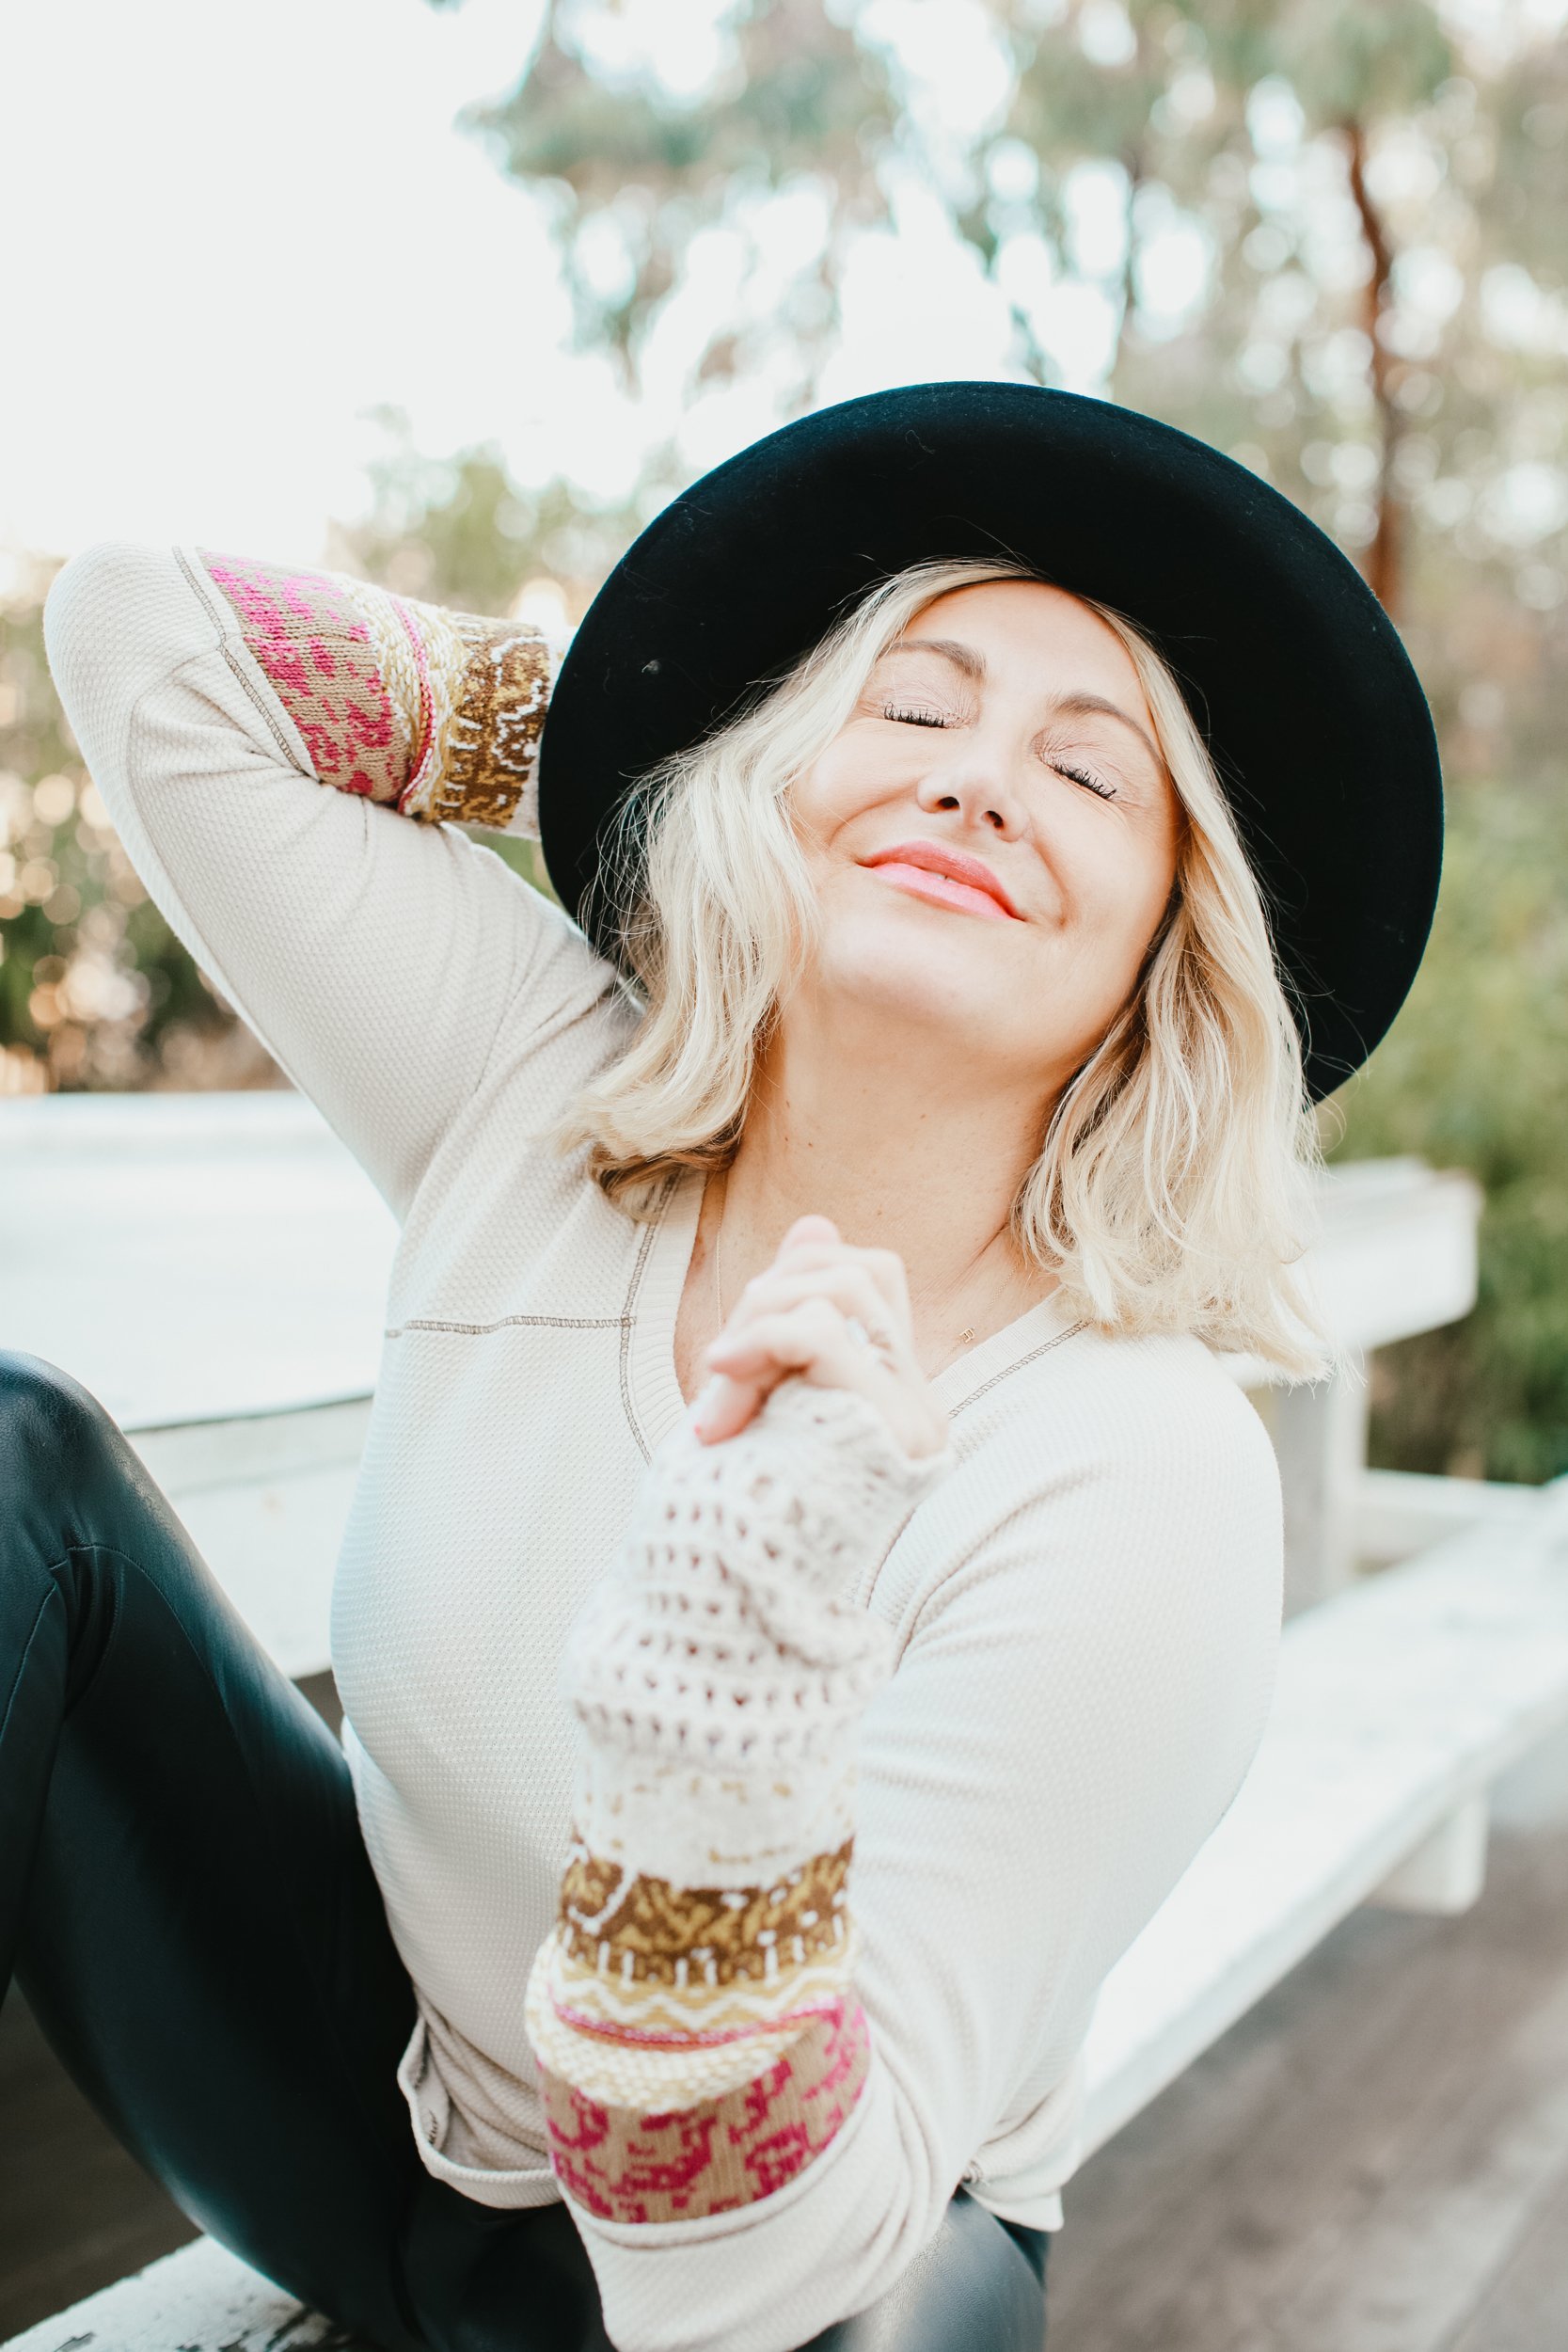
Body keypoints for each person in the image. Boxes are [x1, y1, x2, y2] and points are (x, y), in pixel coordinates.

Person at [9, 382, 1442, 2352]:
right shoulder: (543, 1089)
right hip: (390, 2125)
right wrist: (645, 729)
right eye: (913, 711)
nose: (980, 784)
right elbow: (147, 639)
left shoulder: (1138, 1465)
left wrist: (722, 1712)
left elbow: (753, 2278)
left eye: (1089, 774)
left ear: (1159, 949)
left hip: (798, 2274)